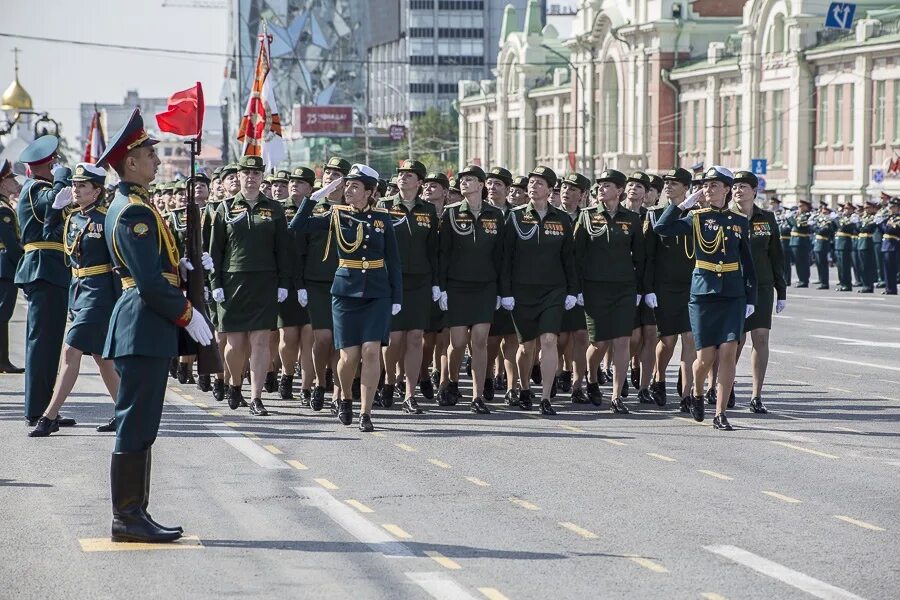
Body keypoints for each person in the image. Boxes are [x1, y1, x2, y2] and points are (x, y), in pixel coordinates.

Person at [98, 107, 213, 542]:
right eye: (150, 154)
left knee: (142, 422)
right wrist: (187, 313)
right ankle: (127, 517)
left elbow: (156, 270)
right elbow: (146, 281)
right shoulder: (133, 212)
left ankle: (135, 512)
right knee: (136, 422)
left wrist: (182, 268)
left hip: (144, 324)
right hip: (143, 323)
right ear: (130, 161)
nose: (157, 161)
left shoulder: (135, 205)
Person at [292, 164, 402, 431]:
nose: (348, 190)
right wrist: (315, 197)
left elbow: (394, 261)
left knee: (371, 352)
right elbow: (297, 226)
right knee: (349, 356)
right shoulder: (335, 215)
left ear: (370, 191)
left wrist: (396, 295)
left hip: (377, 294)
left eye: (355, 186)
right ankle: (346, 399)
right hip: (345, 294)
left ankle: (366, 413)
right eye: (347, 185)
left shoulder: (383, 218)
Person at [654, 166, 757, 431]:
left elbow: (748, 262)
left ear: (726, 189)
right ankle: (698, 392)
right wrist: (682, 205)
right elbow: (662, 228)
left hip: (732, 294)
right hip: (703, 294)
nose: (708, 189)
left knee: (728, 351)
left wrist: (750, 297)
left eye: (714, 185)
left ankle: (720, 412)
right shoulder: (696, 218)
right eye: (705, 185)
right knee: (705, 357)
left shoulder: (740, 221)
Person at [29, 163, 123, 437]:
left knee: (71, 351)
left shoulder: (107, 220)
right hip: (79, 290)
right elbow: (51, 236)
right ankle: (124, 412)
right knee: (101, 357)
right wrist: (54, 211)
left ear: (97, 192)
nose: (76, 190)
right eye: (75, 185)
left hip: (101, 293)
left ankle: (49, 416)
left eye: (82, 186)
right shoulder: (73, 218)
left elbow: (119, 260)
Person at [209, 155, 291, 416]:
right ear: (240, 176)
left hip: (264, 281)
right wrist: (216, 283)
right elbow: (215, 251)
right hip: (233, 281)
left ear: (262, 177)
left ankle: (256, 397)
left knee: (261, 341)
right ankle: (234, 383)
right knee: (234, 343)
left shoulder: (274, 209)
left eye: (257, 173)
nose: (252, 177)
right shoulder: (224, 208)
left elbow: (283, 251)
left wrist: (284, 283)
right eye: (247, 173)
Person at [501, 166, 577, 415]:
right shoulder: (515, 217)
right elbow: (506, 258)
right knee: (526, 346)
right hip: (522, 292)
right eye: (531, 182)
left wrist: (572, 291)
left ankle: (546, 397)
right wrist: (506, 292)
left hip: (553, 290)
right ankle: (524, 388)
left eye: (540, 183)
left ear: (550, 189)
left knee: (549, 340)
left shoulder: (562, 218)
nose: (533, 186)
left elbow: (569, 258)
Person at [15, 136, 74, 426]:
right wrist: (62, 178)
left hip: (51, 269)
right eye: (55, 164)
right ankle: (36, 410)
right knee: (41, 344)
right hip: (43, 268)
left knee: (49, 344)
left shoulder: (38, 186)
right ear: (49, 165)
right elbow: (53, 202)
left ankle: (46, 407)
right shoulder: (35, 188)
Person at [574, 169, 644, 414]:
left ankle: (616, 396)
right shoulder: (586, 217)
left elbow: (641, 258)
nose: (602, 189)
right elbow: (577, 256)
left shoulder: (632, 219)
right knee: (599, 342)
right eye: (600, 185)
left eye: (607, 185)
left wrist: (641, 290)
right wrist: (577, 289)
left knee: (622, 340)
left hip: (624, 287)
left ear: (619, 190)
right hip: (594, 288)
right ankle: (591, 378)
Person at [437, 165, 505, 410]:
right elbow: (443, 253)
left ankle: (476, 396)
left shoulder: (495, 215)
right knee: (457, 343)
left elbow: (501, 256)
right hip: (456, 286)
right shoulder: (451, 213)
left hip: (485, 286)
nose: (464, 183)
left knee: (479, 340)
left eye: (470, 179)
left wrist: (502, 291)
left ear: (481, 184)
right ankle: (450, 381)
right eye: (462, 179)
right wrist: (441, 287)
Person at [377, 159, 435, 415]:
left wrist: (437, 284)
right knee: (394, 338)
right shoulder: (384, 206)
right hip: (390, 279)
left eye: (410, 175)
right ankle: (390, 380)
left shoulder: (429, 211)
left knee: (415, 338)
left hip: (420, 281)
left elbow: (434, 251)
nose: (403, 178)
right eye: (401, 174)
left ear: (419, 182)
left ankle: (410, 394)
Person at [296, 156, 349, 412]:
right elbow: (296, 229)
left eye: (337, 175)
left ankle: (339, 392)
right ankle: (319, 381)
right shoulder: (315, 208)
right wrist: (315, 198)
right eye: (327, 174)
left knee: (342, 341)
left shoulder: (353, 208)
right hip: (317, 282)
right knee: (323, 339)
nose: (331, 178)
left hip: (347, 282)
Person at [731, 170, 785, 415]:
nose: (738, 190)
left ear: (755, 191)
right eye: (735, 186)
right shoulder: (726, 217)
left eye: (743, 186)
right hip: (734, 285)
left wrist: (781, 290)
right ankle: (724, 384)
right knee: (736, 340)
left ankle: (756, 395)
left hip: (762, 286)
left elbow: (776, 255)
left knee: (760, 337)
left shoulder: (767, 218)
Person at [643, 167, 696, 410]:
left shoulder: (698, 214)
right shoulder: (655, 214)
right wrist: (648, 288)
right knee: (667, 341)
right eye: (667, 182)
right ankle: (659, 377)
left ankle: (687, 394)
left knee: (690, 339)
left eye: (674, 183)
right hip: (664, 286)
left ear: (686, 188)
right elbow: (648, 256)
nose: (668, 186)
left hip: (691, 286)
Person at [277, 167, 316, 404]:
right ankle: (287, 375)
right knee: (288, 337)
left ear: (310, 188)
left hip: (311, 279)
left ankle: (307, 387)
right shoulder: (277, 209)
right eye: (292, 181)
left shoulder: (316, 210)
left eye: (301, 182)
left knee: (309, 337)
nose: (294, 185)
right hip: (287, 280)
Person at [483, 167, 519, 404]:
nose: (493, 187)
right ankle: (485, 378)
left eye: (498, 184)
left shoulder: (517, 214)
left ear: (507, 189)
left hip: (514, 282)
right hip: (487, 281)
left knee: (512, 339)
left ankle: (511, 386)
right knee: (490, 340)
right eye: (490, 183)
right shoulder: (481, 211)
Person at [204, 164, 237, 401]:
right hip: (218, 279)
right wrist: (207, 282)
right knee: (222, 334)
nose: (235, 181)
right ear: (221, 185)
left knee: (241, 338)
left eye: (238, 176)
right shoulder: (213, 211)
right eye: (229, 178)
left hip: (242, 281)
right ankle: (219, 377)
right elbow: (206, 249)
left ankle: (235, 382)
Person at [557, 172, 591, 403]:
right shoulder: (554, 216)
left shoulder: (588, 218)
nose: (566, 192)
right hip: (556, 283)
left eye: (572, 189)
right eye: (564, 188)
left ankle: (578, 384)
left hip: (582, 284)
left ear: (583, 194)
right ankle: (557, 372)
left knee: (581, 336)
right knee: (557, 338)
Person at [419, 172, 451, 400]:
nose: (429, 188)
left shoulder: (452, 216)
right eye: (427, 185)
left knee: (446, 336)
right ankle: (422, 373)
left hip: (450, 281)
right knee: (426, 338)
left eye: (435, 186)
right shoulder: (419, 213)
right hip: (425, 281)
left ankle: (444, 382)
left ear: (445, 193)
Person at [0, 159, 24, 373]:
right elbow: (11, 244)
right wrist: (24, 262)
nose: (15, 183)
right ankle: (2, 361)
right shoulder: (3, 211)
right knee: (2, 314)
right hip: (4, 266)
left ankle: (3, 360)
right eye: (10, 180)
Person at [855, 198, 880, 293]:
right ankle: (865, 284)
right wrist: (860, 226)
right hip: (861, 242)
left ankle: (868, 286)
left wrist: (861, 227)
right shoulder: (863, 217)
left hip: (868, 243)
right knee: (861, 266)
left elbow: (868, 228)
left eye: (868, 207)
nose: (866, 210)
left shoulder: (875, 218)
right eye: (865, 208)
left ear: (873, 208)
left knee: (867, 266)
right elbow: (857, 228)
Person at [877, 197, 900, 295]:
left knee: (892, 269)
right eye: (890, 207)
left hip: (893, 245)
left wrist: (887, 226)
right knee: (886, 269)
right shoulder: (889, 218)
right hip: (886, 245)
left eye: (893, 207)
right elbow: (882, 229)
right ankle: (889, 288)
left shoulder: (898, 219)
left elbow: (893, 230)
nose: (890, 209)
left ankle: (892, 289)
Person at [788, 199, 813, 287]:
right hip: (794, 240)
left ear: (806, 207)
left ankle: (804, 280)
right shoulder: (798, 215)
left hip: (801, 241)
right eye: (799, 206)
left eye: (801, 206)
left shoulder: (807, 216)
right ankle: (801, 279)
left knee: (803, 262)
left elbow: (799, 226)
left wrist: (790, 218)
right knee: (798, 262)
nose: (799, 208)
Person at [812, 202, 836, 290]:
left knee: (823, 264)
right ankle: (821, 281)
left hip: (823, 243)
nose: (823, 214)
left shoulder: (829, 222)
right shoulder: (820, 221)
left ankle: (825, 283)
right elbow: (813, 228)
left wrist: (816, 228)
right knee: (819, 263)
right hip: (817, 243)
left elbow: (822, 231)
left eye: (825, 213)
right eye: (823, 212)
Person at [834, 202, 857, 291]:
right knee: (840, 266)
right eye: (845, 209)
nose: (845, 211)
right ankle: (842, 283)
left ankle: (847, 285)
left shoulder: (852, 219)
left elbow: (842, 227)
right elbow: (834, 228)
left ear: (852, 210)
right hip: (839, 243)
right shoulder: (842, 218)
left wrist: (836, 219)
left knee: (845, 266)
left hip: (845, 244)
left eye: (848, 209)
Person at [772, 197, 792, 286]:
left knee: (786, 262)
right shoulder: (771, 213)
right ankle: (779, 278)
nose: (771, 205)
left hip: (785, 241)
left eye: (773, 203)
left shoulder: (782, 214)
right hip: (776, 240)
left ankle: (787, 279)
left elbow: (787, 228)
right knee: (777, 262)